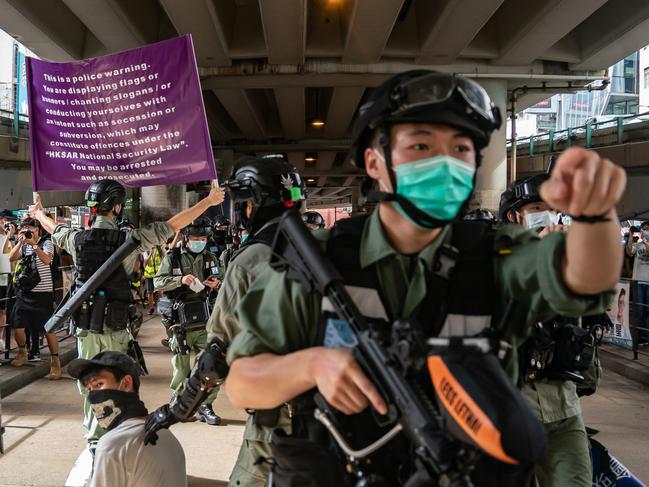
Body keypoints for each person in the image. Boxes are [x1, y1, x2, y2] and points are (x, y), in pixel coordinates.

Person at [223, 71, 624, 485]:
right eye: (421, 145)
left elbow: (581, 278)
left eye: (461, 149)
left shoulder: (498, 254)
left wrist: (596, 216)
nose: (444, 162)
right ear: (374, 161)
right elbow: (242, 384)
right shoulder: (319, 261)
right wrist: (310, 366)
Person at [144, 154, 307, 487]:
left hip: (279, 411)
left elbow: (217, 354)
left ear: (252, 206)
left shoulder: (252, 257)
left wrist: (177, 410)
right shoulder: (324, 246)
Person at [29, 178, 225, 448]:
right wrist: (209, 201)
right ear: (118, 208)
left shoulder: (77, 239)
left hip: (85, 329)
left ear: (92, 207)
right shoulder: (131, 240)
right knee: (119, 382)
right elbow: (174, 226)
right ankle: (117, 438)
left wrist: (38, 212)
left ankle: (95, 441)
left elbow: (55, 228)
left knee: (92, 382)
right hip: (116, 326)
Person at [500, 174, 594, 487]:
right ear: (514, 215)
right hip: (512, 411)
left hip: (564, 408)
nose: (548, 214)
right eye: (537, 206)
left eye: (552, 207)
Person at [68, 351, 186, 487]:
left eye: (99, 384)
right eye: (89, 389)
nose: (93, 396)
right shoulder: (165, 434)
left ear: (126, 383)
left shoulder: (112, 445)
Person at [153, 216, 222, 425]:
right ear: (186, 237)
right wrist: (180, 280)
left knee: (211, 364)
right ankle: (179, 402)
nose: (199, 241)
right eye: (195, 237)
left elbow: (222, 282)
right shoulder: (173, 258)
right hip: (179, 320)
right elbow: (158, 282)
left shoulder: (211, 257)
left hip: (204, 318)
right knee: (181, 367)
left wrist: (216, 284)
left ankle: (205, 405)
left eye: (203, 238)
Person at [7, 218, 60, 379]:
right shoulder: (23, 243)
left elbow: (47, 259)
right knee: (18, 324)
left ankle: (55, 362)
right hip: (25, 292)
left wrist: (34, 245)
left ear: (38, 229)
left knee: (48, 329)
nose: (27, 229)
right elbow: (11, 258)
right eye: (24, 227)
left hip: (42, 293)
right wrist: (20, 242)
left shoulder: (46, 242)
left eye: (30, 227)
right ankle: (22, 352)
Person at [625, 221, 649, 343]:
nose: (645, 231)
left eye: (647, 229)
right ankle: (642, 337)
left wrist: (645, 241)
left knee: (647, 310)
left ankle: (645, 335)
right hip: (638, 281)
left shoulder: (644, 243)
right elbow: (629, 251)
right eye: (643, 229)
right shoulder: (638, 245)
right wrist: (630, 236)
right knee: (640, 310)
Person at [143, 244, 163, 315]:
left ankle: (162, 307)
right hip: (149, 275)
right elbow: (145, 263)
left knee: (160, 291)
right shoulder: (146, 251)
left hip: (158, 274)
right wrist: (150, 253)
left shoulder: (160, 249)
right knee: (150, 292)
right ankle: (151, 308)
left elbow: (163, 259)